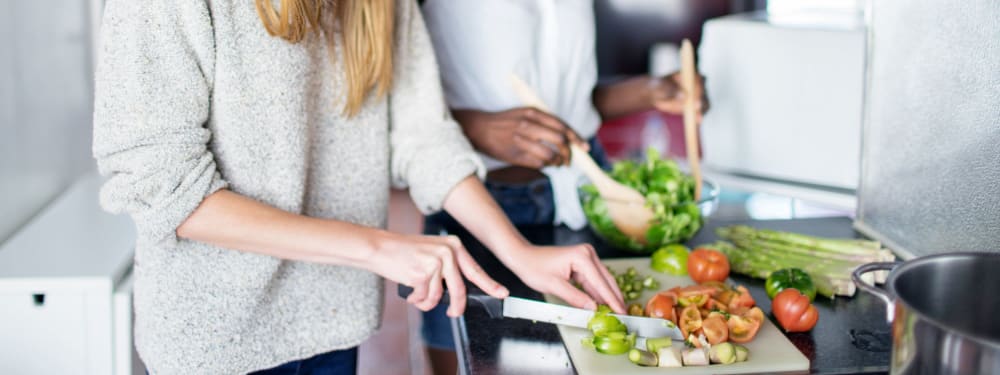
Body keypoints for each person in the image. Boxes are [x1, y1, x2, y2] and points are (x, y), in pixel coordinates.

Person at [91, 0, 625, 373]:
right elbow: (165, 186)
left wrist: (520, 251)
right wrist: (378, 247)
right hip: (217, 340)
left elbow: (423, 135)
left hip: (333, 324)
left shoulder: (379, 4)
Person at [418, 1, 708, 373]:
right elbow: (395, 107)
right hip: (475, 199)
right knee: (473, 360)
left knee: (604, 354)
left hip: (585, 192)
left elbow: (570, 104)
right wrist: (474, 126)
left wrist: (652, 90)